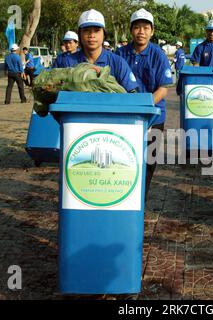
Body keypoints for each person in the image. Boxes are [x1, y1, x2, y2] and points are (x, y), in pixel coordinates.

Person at [116, 8, 173, 195]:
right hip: (125, 115)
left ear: (152, 31)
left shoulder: (159, 55)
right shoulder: (120, 54)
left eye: (146, 28)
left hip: (153, 117)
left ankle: (141, 198)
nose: (141, 31)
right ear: (131, 30)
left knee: (149, 161)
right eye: (137, 27)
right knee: (123, 157)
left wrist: (145, 107)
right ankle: (124, 194)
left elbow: (163, 88)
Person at [55, 9, 138, 93]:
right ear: (79, 34)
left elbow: (132, 93)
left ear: (104, 34)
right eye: (86, 30)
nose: (92, 35)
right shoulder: (66, 62)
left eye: (97, 30)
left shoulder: (118, 62)